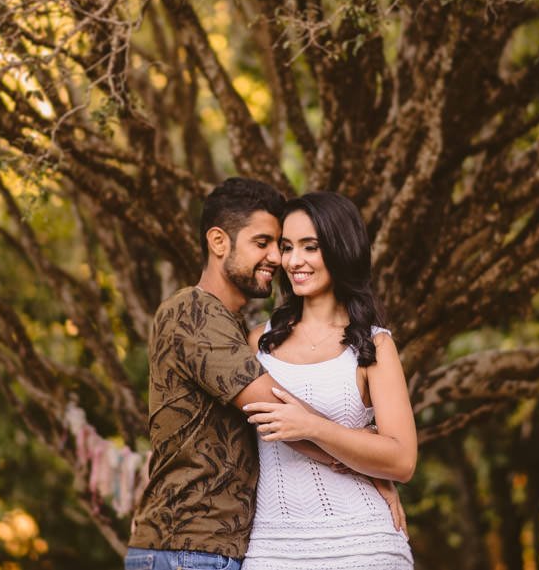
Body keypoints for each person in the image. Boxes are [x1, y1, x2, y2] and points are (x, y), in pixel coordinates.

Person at [126, 179, 403, 570]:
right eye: (265, 243)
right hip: (188, 548)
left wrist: (375, 457)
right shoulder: (193, 313)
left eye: (282, 245)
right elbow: (280, 414)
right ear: (218, 242)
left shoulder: (238, 330)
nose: (279, 258)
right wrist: (368, 459)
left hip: (218, 548)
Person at [241, 191, 417, 569]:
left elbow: (402, 460)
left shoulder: (374, 345)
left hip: (364, 545)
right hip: (272, 547)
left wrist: (314, 426)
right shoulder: (257, 343)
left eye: (311, 247)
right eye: (287, 247)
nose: (294, 261)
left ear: (340, 249)